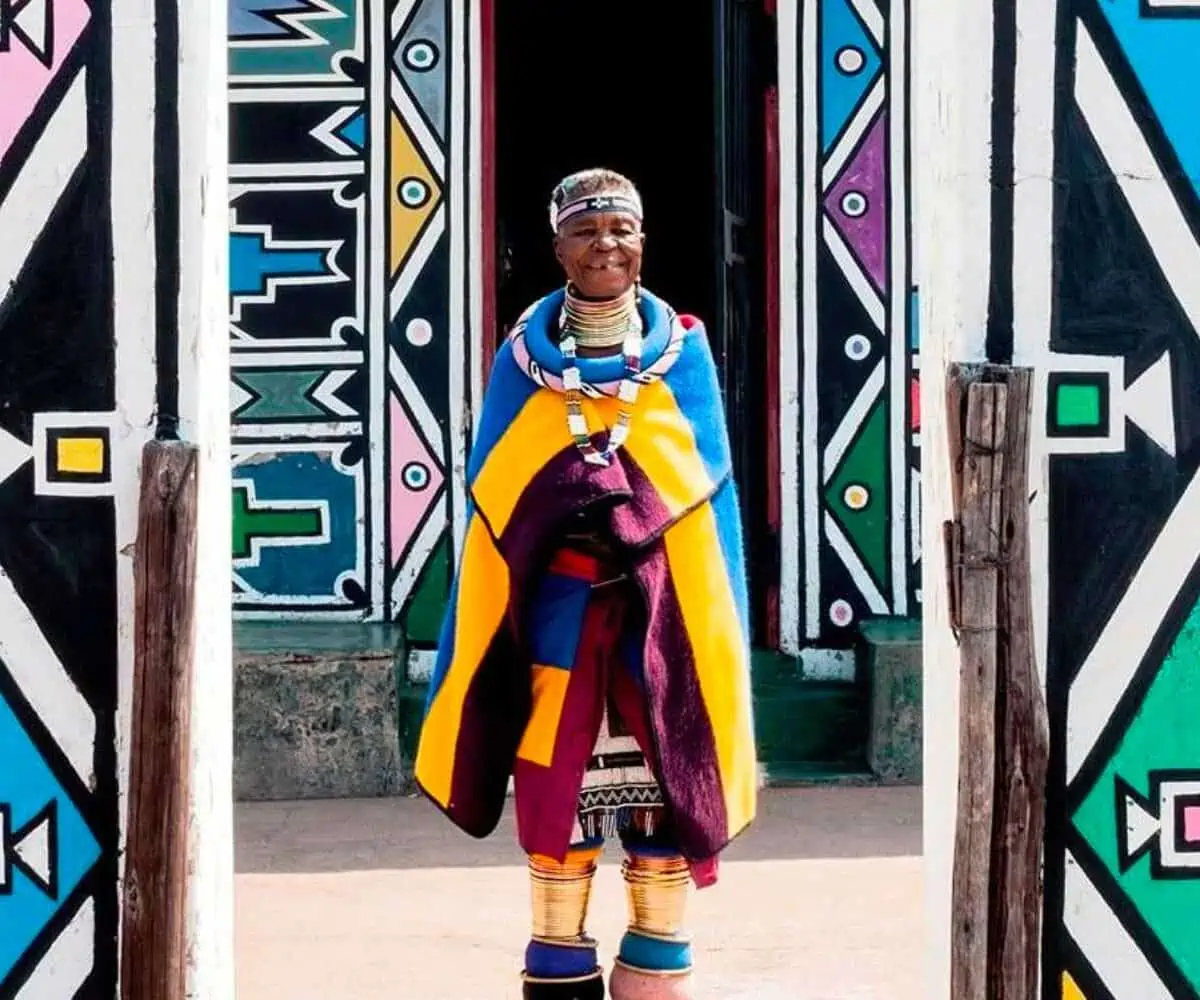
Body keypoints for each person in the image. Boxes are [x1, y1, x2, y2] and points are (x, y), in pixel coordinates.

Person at [414, 168, 757, 1000]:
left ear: (643, 241)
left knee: (664, 797)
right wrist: (570, 499)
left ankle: (656, 973)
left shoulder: (682, 354)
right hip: (557, 622)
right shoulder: (521, 362)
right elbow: (501, 488)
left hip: (663, 621)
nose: (605, 245)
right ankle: (559, 968)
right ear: (558, 246)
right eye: (586, 230)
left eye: (620, 229)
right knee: (556, 798)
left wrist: (628, 507)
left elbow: (700, 486)